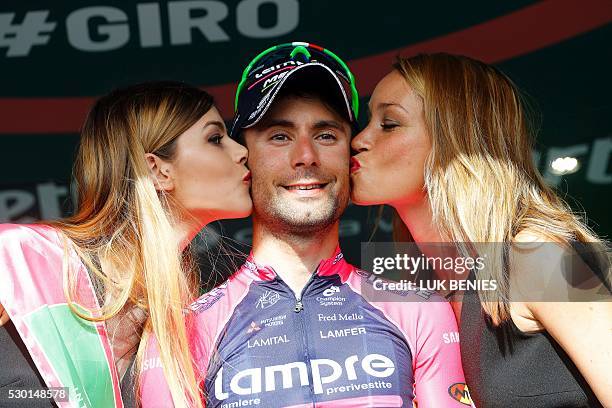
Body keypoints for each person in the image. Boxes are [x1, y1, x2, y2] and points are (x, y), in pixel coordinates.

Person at [140, 42, 469, 407]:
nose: (306, 157)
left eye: (326, 135)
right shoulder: (183, 332)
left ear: (350, 153)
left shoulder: (419, 310)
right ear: (244, 156)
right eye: (280, 136)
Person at [350, 52, 612, 407]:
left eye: (389, 123)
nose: (358, 140)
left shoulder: (537, 254)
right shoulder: (423, 294)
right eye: (369, 121)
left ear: (455, 140)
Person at [0, 81, 252, 407]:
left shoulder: (178, 318)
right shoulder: (20, 261)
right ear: (158, 170)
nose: (241, 151)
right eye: (215, 139)